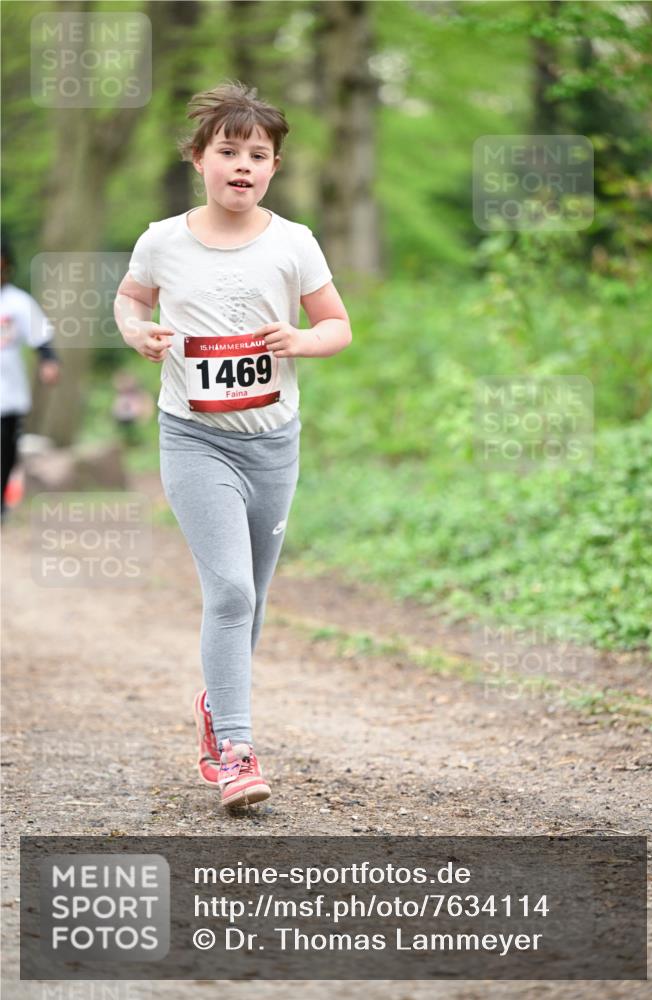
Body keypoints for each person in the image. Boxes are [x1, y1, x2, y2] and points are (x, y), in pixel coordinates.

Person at [114, 80, 352, 808]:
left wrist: (301, 341)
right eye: (227, 151)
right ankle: (237, 752)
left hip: (273, 444)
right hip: (194, 439)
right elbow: (130, 297)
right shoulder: (162, 240)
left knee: (254, 599)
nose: (242, 165)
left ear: (274, 167)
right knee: (230, 591)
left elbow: (338, 325)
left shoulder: (294, 243)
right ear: (199, 159)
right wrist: (135, 330)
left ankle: (216, 708)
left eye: (257, 154)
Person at [1, 233, 61, 520]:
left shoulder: (17, 302)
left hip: (8, 390)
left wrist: (49, 360)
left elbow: (40, 334)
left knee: (6, 447)